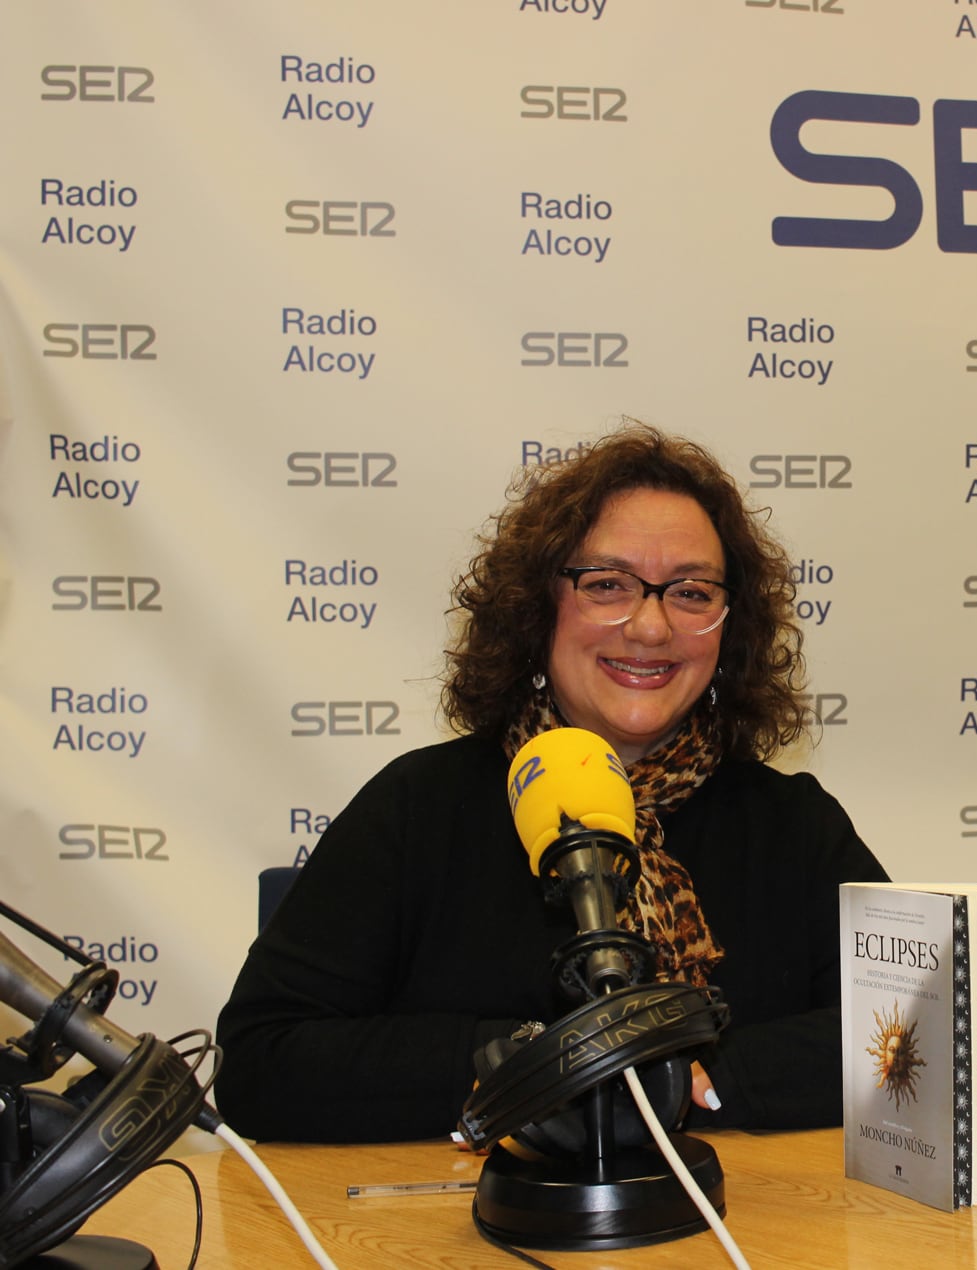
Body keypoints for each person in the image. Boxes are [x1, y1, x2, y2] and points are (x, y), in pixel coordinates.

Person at [216, 425, 886, 1141]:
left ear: (730, 627)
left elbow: (916, 1031)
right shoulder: (418, 808)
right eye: (606, 585)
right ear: (537, 609)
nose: (651, 627)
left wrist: (692, 1074)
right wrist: (536, 1064)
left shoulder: (792, 824)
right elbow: (260, 1061)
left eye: (690, 593)